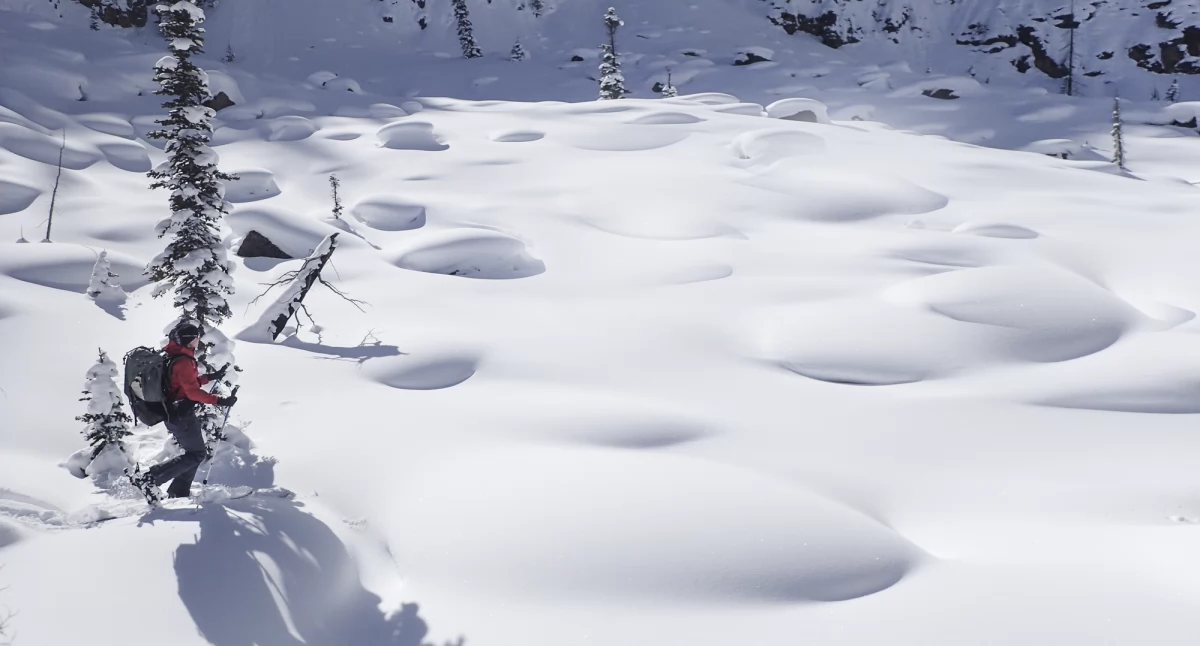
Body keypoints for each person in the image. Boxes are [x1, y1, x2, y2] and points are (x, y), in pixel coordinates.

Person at [130, 322, 236, 501]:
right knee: (196, 454)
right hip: (181, 414)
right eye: (196, 338)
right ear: (189, 340)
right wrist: (220, 400)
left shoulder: (174, 356)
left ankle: (179, 493)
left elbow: (182, 384)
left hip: (174, 412)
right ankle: (150, 478)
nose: (198, 341)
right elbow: (192, 392)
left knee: (194, 454)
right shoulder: (184, 361)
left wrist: (209, 377)